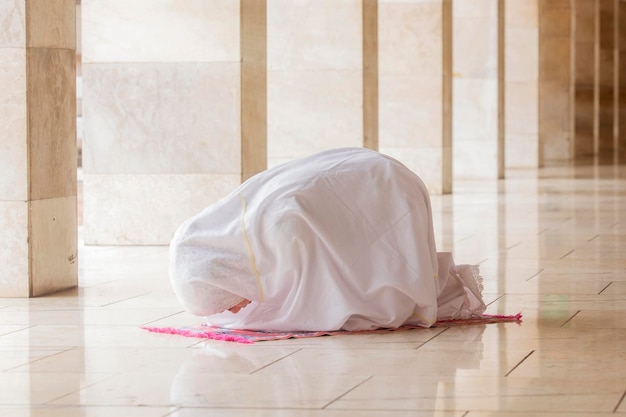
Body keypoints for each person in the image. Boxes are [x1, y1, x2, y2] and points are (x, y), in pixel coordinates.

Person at [169, 147, 486, 332]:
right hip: (370, 174)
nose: (235, 311)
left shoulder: (279, 233)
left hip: (382, 186)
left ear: (226, 275)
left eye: (228, 303)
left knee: (380, 286)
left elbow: (327, 283)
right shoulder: (249, 236)